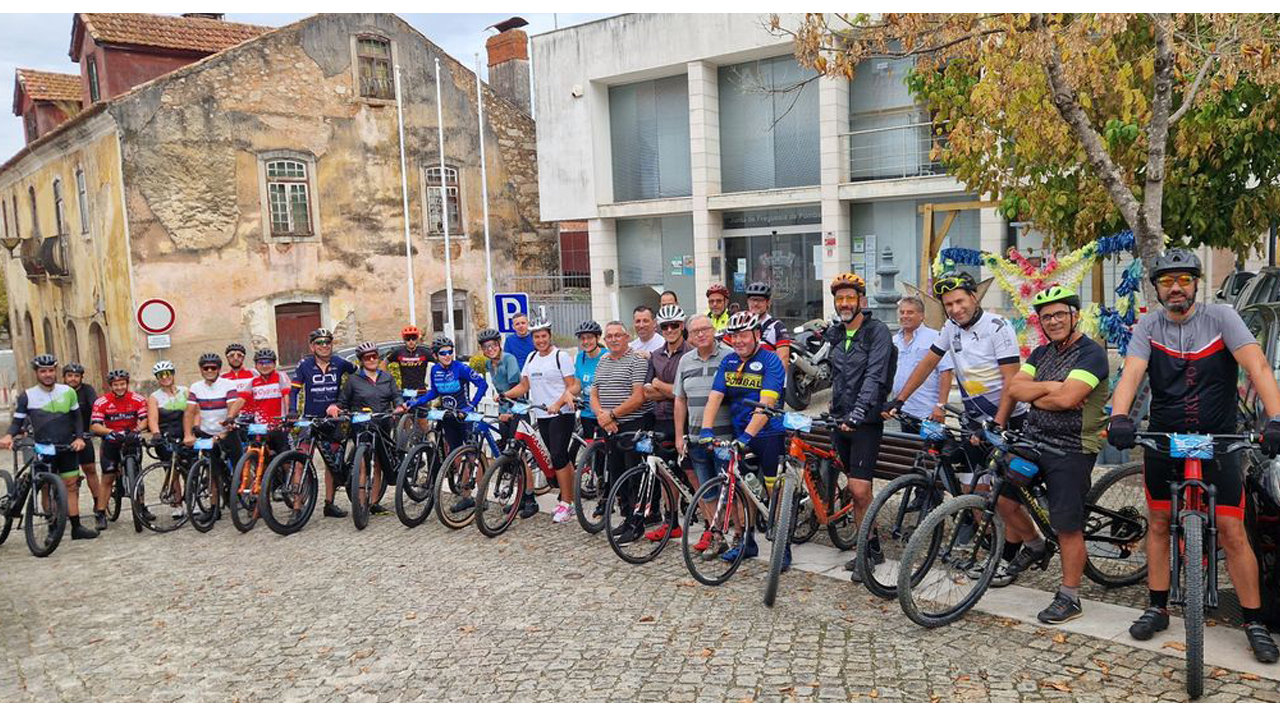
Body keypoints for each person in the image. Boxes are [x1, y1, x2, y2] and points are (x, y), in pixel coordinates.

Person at [1107, 248, 1280, 662]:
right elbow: (1132, 372)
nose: (1176, 288)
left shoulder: (1222, 318)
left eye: (1184, 280)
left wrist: (1275, 419)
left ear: (1196, 284)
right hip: (1165, 435)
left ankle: (1253, 620)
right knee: (1159, 523)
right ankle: (1157, 606)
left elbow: (1257, 366)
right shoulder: (1149, 325)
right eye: (1167, 281)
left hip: (1218, 436)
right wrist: (1119, 417)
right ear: (1156, 288)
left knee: (1232, 530)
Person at [1006, 286, 1110, 624]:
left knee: (1066, 525)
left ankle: (1070, 597)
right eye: (1046, 316)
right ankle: (1036, 545)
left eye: (1060, 314)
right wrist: (1052, 388)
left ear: (1074, 315)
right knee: (1003, 495)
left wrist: (1039, 395)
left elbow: (1068, 400)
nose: (1053, 321)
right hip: (1034, 438)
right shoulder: (1041, 354)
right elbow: (1015, 389)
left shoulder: (1091, 354)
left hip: (1072, 446)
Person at [819, 273, 898, 581]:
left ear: (861, 300)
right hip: (840, 419)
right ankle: (871, 546)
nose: (845, 303)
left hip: (864, 421)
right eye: (840, 299)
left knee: (860, 488)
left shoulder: (877, 332)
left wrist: (859, 412)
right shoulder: (837, 334)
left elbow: (874, 376)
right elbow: (832, 375)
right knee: (855, 491)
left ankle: (866, 553)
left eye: (850, 298)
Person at [698, 311, 788, 568]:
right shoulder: (729, 362)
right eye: (734, 336)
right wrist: (706, 430)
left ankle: (783, 547)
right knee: (745, 489)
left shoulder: (770, 361)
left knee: (773, 490)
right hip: (740, 433)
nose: (738, 341)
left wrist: (748, 436)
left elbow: (766, 404)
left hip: (768, 434)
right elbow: (714, 398)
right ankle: (748, 541)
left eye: (743, 335)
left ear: (757, 335)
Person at [888, 270, 1026, 429]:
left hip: (1007, 416)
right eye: (949, 304)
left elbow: (1011, 379)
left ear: (973, 297)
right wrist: (899, 400)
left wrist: (997, 425)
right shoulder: (950, 327)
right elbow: (927, 364)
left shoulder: (998, 326)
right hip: (975, 417)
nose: (955, 309)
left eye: (960, 301)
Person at [0, 355, 95, 539]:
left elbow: (77, 419)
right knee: (45, 486)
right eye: (43, 371)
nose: (47, 374)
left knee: (71, 486)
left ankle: (76, 527)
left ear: (55, 371)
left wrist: (79, 438)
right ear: (37, 373)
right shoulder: (27, 396)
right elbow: (17, 422)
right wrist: (9, 435)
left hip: (67, 446)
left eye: (51, 370)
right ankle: (52, 526)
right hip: (44, 447)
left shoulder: (68, 392)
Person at [503, 318, 579, 523]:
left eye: (544, 336)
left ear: (550, 336)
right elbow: (524, 386)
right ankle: (569, 496)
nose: (540, 340)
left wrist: (558, 403)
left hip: (561, 413)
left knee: (558, 456)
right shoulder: (531, 357)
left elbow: (572, 386)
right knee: (559, 456)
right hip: (542, 414)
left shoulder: (560, 356)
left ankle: (567, 504)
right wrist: (505, 395)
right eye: (536, 337)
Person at [673, 313, 734, 556]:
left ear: (713, 330)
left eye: (704, 329)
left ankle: (739, 536)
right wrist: (679, 435)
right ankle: (717, 536)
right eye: (695, 331)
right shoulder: (685, 361)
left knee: (729, 492)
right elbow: (680, 400)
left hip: (724, 438)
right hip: (696, 438)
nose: (700, 334)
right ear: (689, 336)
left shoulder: (729, 356)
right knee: (707, 493)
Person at [328, 342, 407, 515]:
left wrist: (399, 405)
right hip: (361, 426)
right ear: (361, 360)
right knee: (363, 463)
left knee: (379, 462)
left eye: (374, 356)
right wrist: (335, 407)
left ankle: (374, 502)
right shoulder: (353, 380)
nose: (371, 360)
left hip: (383, 422)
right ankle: (361, 502)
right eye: (367, 357)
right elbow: (343, 401)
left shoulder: (387, 377)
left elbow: (396, 395)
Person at [590, 321, 652, 544]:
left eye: (618, 335)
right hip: (609, 425)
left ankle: (637, 522)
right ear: (605, 340)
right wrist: (602, 416)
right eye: (610, 336)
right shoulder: (603, 361)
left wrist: (612, 415)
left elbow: (638, 397)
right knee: (616, 473)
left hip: (632, 424)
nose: (614, 339)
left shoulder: (637, 360)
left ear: (627, 337)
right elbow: (594, 393)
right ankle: (626, 517)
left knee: (634, 474)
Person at [290, 327, 356, 518]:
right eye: (319, 342)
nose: (324, 345)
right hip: (310, 419)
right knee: (300, 461)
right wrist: (293, 411)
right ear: (312, 346)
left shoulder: (340, 363)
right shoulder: (304, 365)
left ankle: (329, 504)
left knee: (331, 464)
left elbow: (357, 377)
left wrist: (343, 402)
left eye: (328, 342)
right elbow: (294, 390)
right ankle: (296, 507)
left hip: (332, 421)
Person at [642, 303, 692, 540]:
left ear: (682, 326)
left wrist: (660, 386)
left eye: (674, 325)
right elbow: (646, 391)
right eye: (665, 326)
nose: (670, 330)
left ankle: (711, 527)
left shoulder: (691, 353)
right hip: (661, 418)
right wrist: (672, 391)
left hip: (687, 419)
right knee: (665, 473)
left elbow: (687, 393)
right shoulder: (656, 355)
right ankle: (671, 522)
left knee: (692, 473)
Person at [85, 368, 148, 531]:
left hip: (131, 439)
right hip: (112, 440)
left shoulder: (138, 399)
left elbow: (144, 420)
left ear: (127, 383)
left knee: (138, 473)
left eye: (122, 384)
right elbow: (95, 425)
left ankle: (142, 507)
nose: (119, 387)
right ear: (110, 386)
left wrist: (137, 430)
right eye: (116, 385)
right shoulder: (102, 402)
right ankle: (100, 513)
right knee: (108, 477)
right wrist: (110, 432)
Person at [184, 353, 246, 516]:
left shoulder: (227, 384)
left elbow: (232, 408)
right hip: (207, 433)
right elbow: (189, 412)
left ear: (219, 369)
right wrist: (188, 435)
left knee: (240, 466)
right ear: (201, 370)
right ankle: (214, 508)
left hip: (227, 432)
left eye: (214, 368)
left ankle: (251, 498)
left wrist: (223, 433)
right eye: (206, 368)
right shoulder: (196, 387)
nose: (210, 371)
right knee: (212, 470)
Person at [416, 334, 488, 455]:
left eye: (450, 352)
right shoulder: (435, 370)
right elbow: (435, 392)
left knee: (472, 454)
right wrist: (417, 402)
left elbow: (483, 384)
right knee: (454, 453)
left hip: (464, 416)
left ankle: (478, 467)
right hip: (448, 416)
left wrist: (471, 405)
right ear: (435, 356)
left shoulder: (461, 368)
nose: (447, 355)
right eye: (443, 353)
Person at [891, 296, 954, 434]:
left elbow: (946, 372)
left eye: (910, 312)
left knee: (932, 446)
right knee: (908, 446)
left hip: (928, 412)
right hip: (903, 411)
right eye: (902, 312)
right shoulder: (894, 340)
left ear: (921, 315)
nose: (905, 316)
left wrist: (941, 406)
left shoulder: (935, 338)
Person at [62, 363, 102, 517]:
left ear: (81, 378)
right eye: (70, 376)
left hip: (84, 436)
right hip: (63, 439)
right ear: (64, 377)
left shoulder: (87, 390)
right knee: (69, 477)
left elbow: (96, 407)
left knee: (90, 470)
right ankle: (70, 510)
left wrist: (97, 425)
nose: (73, 379)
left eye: (76, 376)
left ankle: (99, 504)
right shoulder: (59, 391)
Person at [243, 348, 293, 462]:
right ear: (256, 365)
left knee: (285, 461)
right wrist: (231, 417)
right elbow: (241, 400)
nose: (264, 366)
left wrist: (289, 414)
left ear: (274, 364)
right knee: (261, 459)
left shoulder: (280, 376)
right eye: (261, 363)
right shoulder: (253, 382)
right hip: (260, 428)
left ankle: (289, 474)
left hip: (279, 426)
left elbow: (287, 396)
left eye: (268, 362)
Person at [147, 360, 189, 468]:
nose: (165, 377)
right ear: (157, 378)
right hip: (166, 436)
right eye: (160, 375)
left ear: (173, 374)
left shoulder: (185, 391)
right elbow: (153, 420)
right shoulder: (154, 397)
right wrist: (156, 434)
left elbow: (193, 412)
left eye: (167, 373)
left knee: (189, 469)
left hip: (185, 434)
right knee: (171, 471)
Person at [744, 282, 791, 373]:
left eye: (760, 300)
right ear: (748, 302)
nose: (755, 303)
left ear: (768, 303)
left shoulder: (777, 326)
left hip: (767, 375)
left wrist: (777, 379)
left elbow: (783, 357)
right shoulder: (739, 324)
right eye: (752, 300)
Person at [383, 325, 433, 395]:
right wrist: (386, 379)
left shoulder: (424, 352)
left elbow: (439, 362)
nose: (411, 341)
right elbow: (385, 362)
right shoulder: (399, 352)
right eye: (408, 339)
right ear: (404, 340)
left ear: (417, 339)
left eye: (413, 338)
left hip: (421, 391)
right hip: (405, 391)